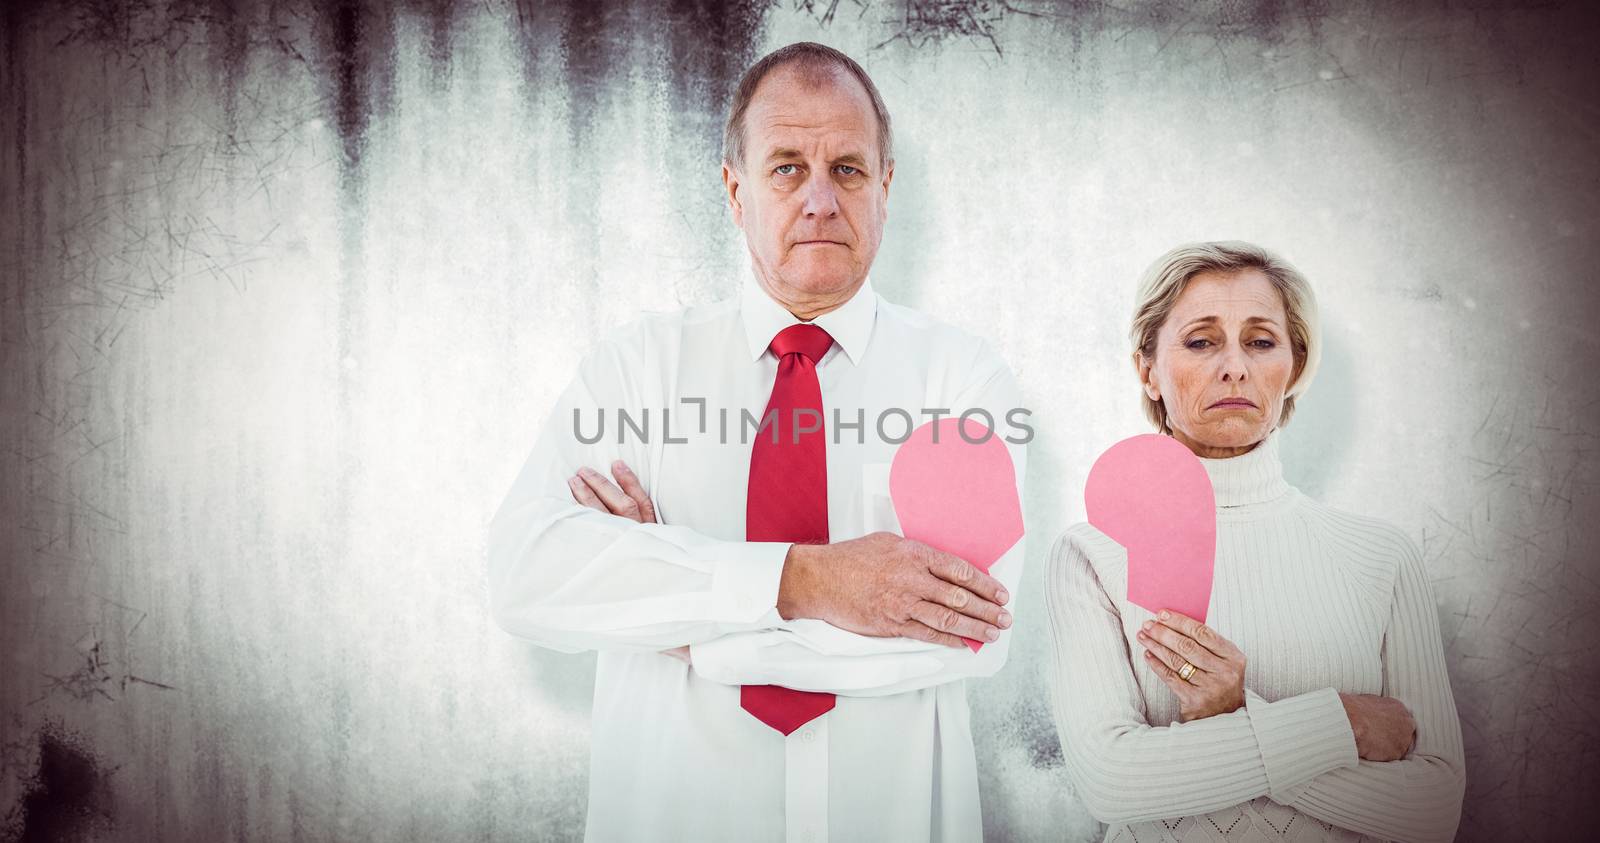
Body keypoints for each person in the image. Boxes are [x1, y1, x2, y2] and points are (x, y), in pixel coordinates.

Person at [487, 42, 1028, 842]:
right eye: (785, 168)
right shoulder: (636, 370)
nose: (819, 199)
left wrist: (679, 613)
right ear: (735, 191)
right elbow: (528, 570)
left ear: (886, 186)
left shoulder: (962, 379)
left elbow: (971, 636)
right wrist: (807, 580)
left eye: (847, 168)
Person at [1045, 241, 1465, 842]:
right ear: (1147, 370)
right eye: (1201, 341)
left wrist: (1239, 717)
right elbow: (1113, 781)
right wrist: (1338, 724)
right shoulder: (1092, 555)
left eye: (1261, 341)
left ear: (1293, 366)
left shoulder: (1381, 558)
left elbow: (1433, 810)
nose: (1234, 366)